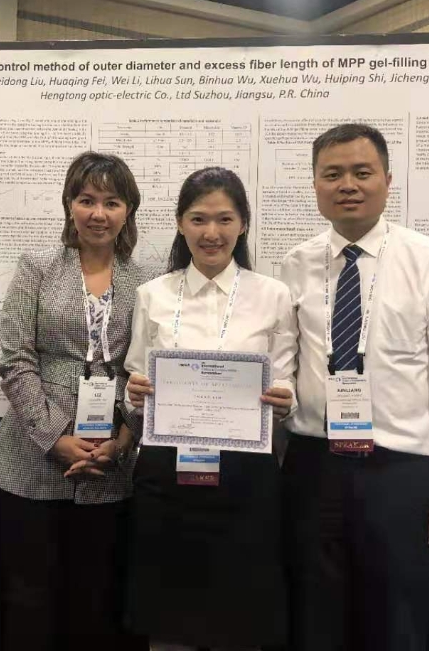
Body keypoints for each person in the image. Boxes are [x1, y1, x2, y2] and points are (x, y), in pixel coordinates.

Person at [280, 123, 429, 651]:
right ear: (315, 184)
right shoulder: (295, 264)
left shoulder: (427, 260)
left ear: (388, 180)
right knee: (314, 612)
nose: (347, 185)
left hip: (396, 469)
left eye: (361, 172)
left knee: (397, 615)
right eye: (332, 174)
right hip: (312, 464)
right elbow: (285, 365)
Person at [0, 151, 152, 651]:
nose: (98, 213)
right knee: (29, 598)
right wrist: (55, 437)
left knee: (95, 600)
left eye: (112, 202)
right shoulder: (38, 267)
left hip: (110, 456)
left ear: (128, 211)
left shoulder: (146, 280)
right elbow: (16, 359)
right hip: (31, 454)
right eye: (86, 200)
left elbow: (144, 369)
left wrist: (124, 440)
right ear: (69, 205)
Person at [123, 166, 297, 650]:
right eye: (198, 219)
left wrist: (285, 399)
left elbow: (286, 381)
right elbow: (134, 374)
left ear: (243, 224)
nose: (211, 232)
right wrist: (134, 393)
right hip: (167, 473)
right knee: (167, 616)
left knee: (240, 616)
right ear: (181, 224)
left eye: (224, 219)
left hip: (246, 476)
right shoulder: (153, 294)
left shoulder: (274, 295)